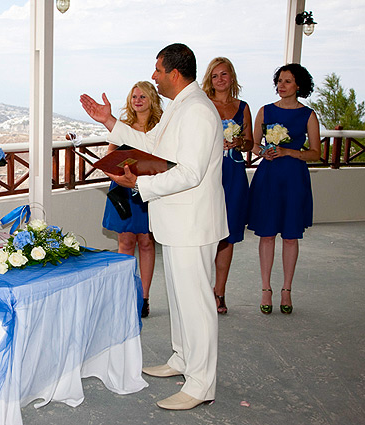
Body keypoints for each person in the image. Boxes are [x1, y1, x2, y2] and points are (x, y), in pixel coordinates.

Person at [80, 43, 228, 411]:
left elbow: (190, 173)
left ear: (175, 73)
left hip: (193, 222)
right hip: (177, 222)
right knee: (180, 300)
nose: (155, 76)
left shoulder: (196, 110)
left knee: (197, 304)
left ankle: (201, 383)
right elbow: (150, 143)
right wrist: (110, 122)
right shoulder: (180, 106)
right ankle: (182, 358)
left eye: (158, 70)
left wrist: (140, 186)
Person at [247, 63, 321, 315]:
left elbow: (316, 153)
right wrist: (263, 152)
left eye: (287, 81)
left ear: (299, 85)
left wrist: (289, 151)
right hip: (269, 176)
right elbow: (254, 144)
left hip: (294, 178)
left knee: (291, 235)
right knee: (266, 234)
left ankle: (286, 289)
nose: (281, 85)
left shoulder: (308, 115)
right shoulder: (265, 111)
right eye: (279, 80)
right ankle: (266, 288)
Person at [101, 81, 162, 318]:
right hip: (123, 190)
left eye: (143, 96)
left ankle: (144, 298)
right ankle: (125, 294)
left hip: (148, 188)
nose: (137, 100)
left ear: (152, 100)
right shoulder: (122, 126)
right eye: (134, 96)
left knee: (146, 242)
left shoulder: (160, 127)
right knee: (125, 242)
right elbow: (109, 156)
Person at [201, 57, 253, 314]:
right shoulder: (202, 105)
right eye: (215, 75)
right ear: (209, 79)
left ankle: (219, 292)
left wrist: (238, 143)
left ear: (232, 77)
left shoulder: (243, 107)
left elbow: (250, 143)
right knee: (204, 232)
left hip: (233, 173)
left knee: (227, 236)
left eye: (224, 74)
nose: (220, 79)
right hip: (207, 173)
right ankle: (200, 291)